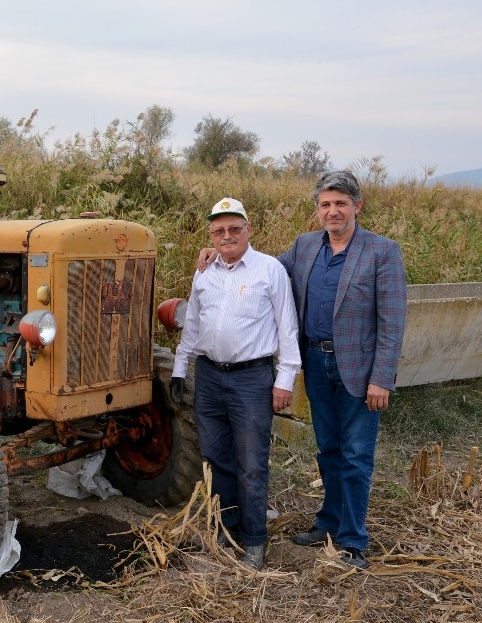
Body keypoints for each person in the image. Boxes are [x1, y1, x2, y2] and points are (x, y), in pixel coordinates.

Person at [197, 171, 408, 570]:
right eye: (325, 204)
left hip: (359, 370)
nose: (332, 211)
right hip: (315, 361)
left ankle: (352, 541)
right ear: (318, 210)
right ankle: (327, 522)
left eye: (341, 204)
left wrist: (382, 377)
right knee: (328, 449)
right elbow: (262, 271)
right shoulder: (306, 246)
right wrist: (222, 253)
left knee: (356, 454)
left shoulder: (382, 252)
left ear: (357, 207)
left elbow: (393, 321)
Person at [171, 197, 301, 571]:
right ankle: (225, 527)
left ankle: (255, 539)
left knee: (251, 462)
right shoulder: (205, 271)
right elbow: (192, 324)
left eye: (234, 228)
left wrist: (285, 379)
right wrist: (181, 368)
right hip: (209, 375)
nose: (226, 235)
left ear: (248, 229)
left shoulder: (269, 270)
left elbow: (287, 328)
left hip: (251, 378)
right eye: (219, 230)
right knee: (215, 457)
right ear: (211, 234)